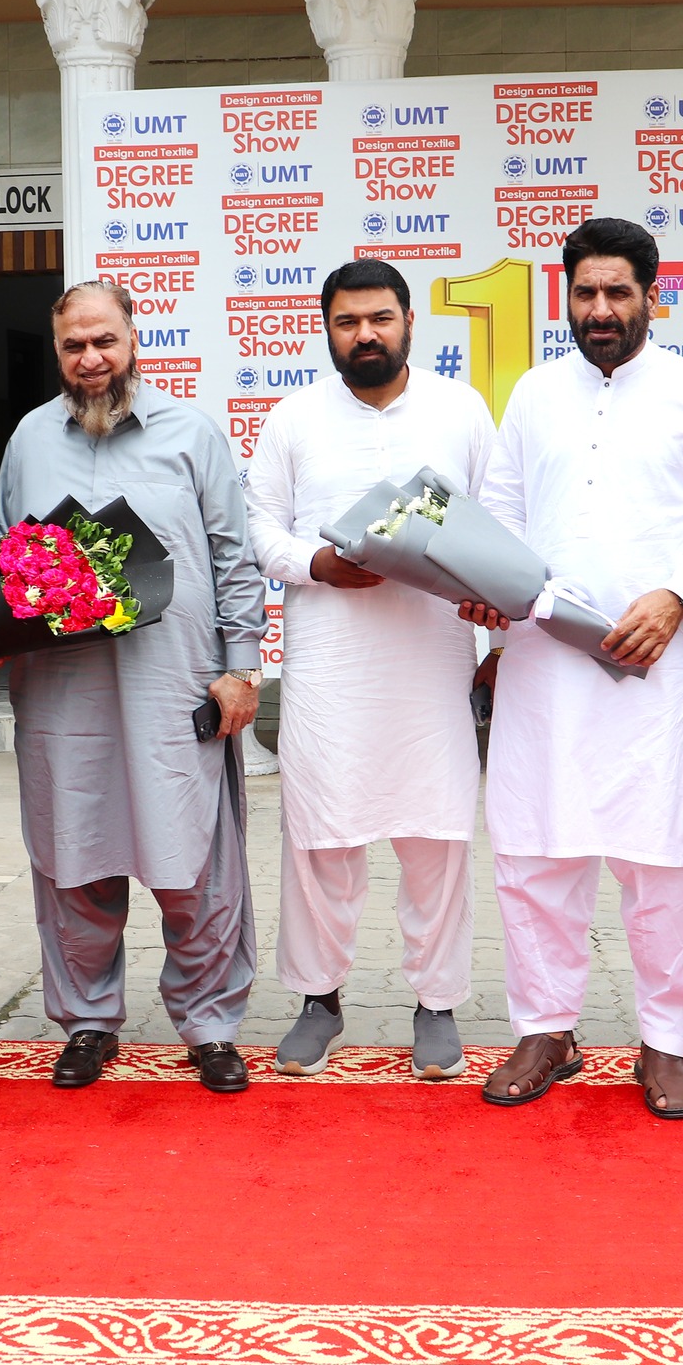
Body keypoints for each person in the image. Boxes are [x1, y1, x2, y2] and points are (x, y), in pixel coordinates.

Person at [461, 218, 683, 1116]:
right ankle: (545, 1028)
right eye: (585, 292)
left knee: (668, 859)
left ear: (652, 298)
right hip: (546, 663)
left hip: (665, 668)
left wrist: (676, 597)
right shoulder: (534, 393)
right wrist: (486, 589)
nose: (600, 309)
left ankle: (667, 1042)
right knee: (535, 851)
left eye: (617, 292)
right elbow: (501, 514)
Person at [1, 279, 266, 1094]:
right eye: (74, 345)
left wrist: (241, 667)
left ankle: (210, 1025)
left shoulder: (192, 433)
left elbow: (233, 555)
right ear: (57, 351)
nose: (91, 358)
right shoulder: (28, 439)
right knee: (74, 860)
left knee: (196, 867)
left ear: (132, 340)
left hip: (174, 689)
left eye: (104, 341)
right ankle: (88, 1021)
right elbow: (4, 555)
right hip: (63, 696)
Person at [245, 258, 496, 1080]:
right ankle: (319, 1000)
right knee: (320, 837)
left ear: (410, 322)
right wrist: (317, 563)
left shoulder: (460, 410)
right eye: (348, 322)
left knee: (438, 836)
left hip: (431, 662)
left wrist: (494, 621)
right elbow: (260, 528)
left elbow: (498, 521)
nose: (365, 335)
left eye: (380, 318)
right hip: (330, 665)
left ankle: (437, 1003)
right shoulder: (293, 418)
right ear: (327, 329)